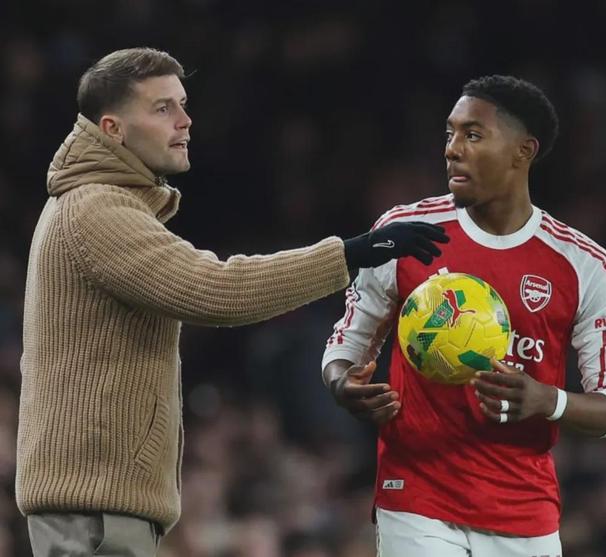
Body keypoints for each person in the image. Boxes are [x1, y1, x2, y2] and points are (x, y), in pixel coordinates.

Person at [16, 47, 450, 557]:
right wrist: (350, 254)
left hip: (99, 503)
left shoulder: (92, 203)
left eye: (183, 104)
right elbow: (216, 290)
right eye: (162, 108)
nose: (185, 121)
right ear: (112, 129)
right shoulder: (97, 209)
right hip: (95, 509)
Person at [322, 75, 606, 556]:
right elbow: (345, 345)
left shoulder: (583, 265)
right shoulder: (405, 232)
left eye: (472, 135)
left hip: (522, 508)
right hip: (416, 495)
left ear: (523, 151)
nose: (452, 149)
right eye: (449, 134)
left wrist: (546, 400)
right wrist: (342, 384)